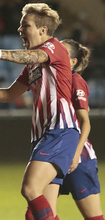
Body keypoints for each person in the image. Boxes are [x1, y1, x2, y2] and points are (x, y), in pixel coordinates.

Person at [0, 3, 80, 220]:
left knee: (29, 189)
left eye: (25, 25)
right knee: (36, 212)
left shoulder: (54, 48)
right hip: (45, 136)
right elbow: (9, 95)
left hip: (60, 131)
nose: (19, 30)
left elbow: (34, 56)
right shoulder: (33, 66)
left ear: (42, 30)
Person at [58, 39, 104, 220]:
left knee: (93, 216)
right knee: (35, 207)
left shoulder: (75, 81)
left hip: (79, 157)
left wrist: (76, 155)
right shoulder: (56, 81)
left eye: (63, 53)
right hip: (55, 153)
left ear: (73, 61)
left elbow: (85, 121)